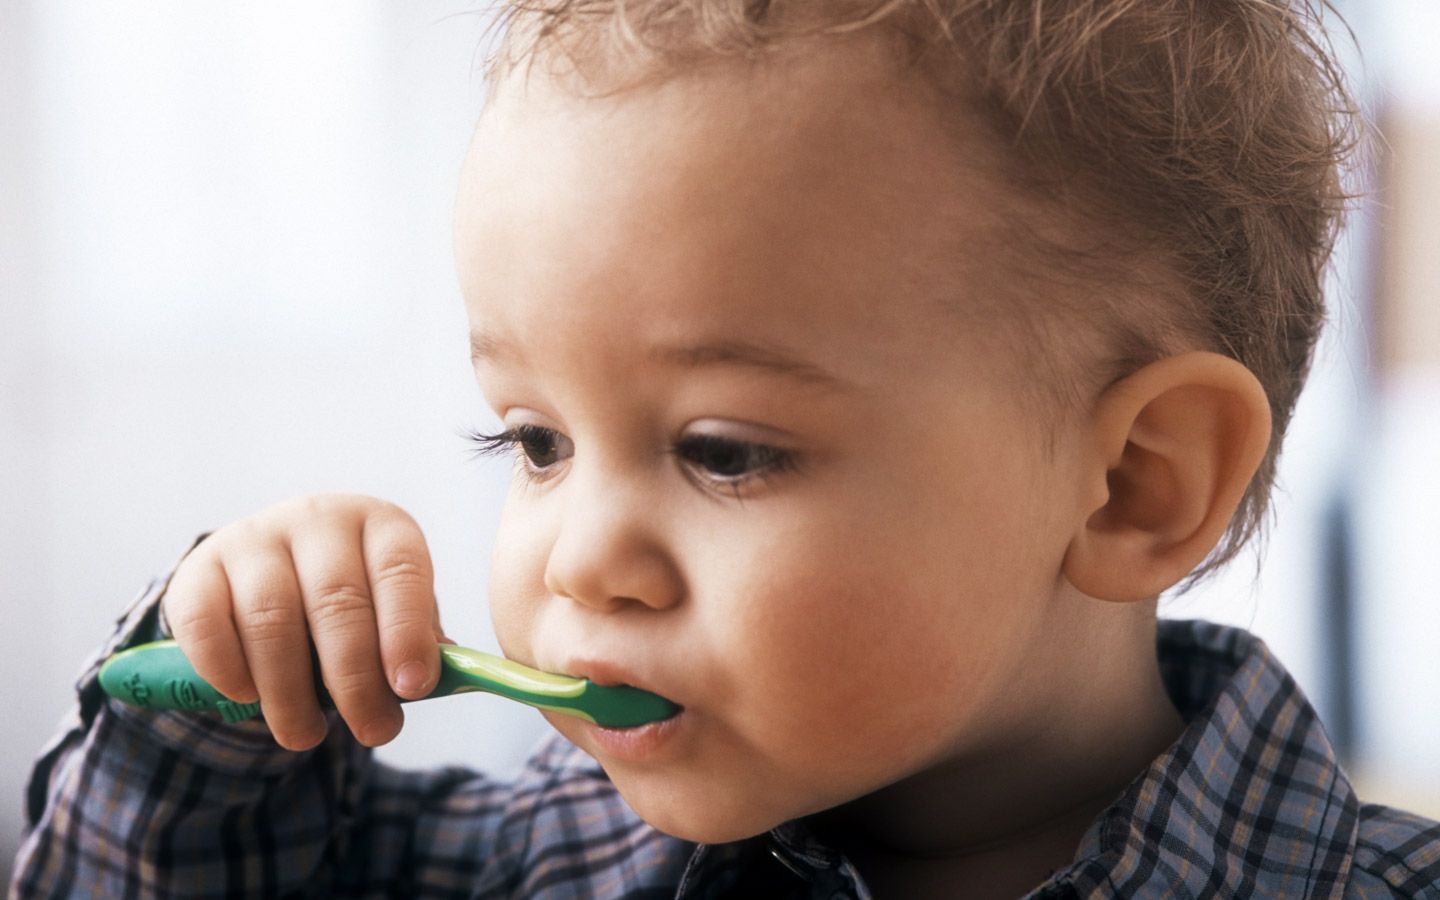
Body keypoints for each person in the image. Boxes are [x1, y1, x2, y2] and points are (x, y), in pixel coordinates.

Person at [13, 1, 1440, 897]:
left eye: (725, 454)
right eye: (534, 438)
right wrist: (222, 701)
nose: (579, 560)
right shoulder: (517, 862)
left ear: (1135, 483)